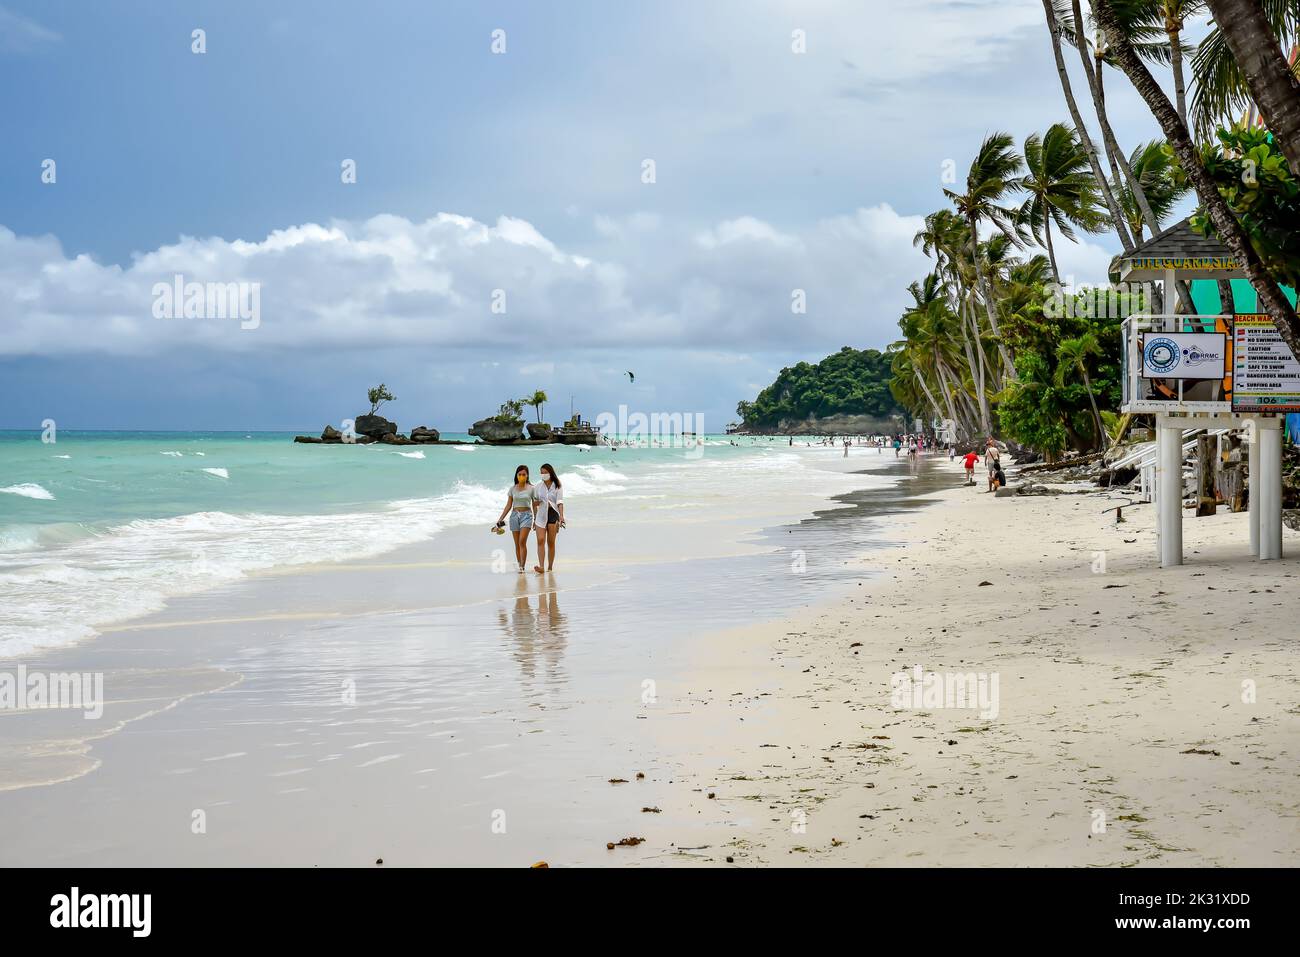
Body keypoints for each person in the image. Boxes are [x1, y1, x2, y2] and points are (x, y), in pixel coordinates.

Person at [493, 465, 537, 573]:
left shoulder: (532, 488)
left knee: (522, 541)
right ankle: (520, 567)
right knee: (517, 543)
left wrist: (536, 519)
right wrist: (500, 519)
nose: (522, 476)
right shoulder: (512, 489)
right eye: (520, 474)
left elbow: (534, 505)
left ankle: (522, 565)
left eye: (524, 474)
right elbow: (508, 505)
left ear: (527, 476)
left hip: (527, 516)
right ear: (516, 475)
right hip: (514, 516)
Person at [532, 463, 566, 574]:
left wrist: (561, 516)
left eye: (545, 472)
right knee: (540, 540)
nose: (543, 474)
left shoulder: (557, 485)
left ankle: (550, 567)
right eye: (541, 472)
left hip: (553, 514)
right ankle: (541, 567)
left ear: (550, 472)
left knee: (551, 542)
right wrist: (534, 518)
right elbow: (534, 503)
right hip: (541, 515)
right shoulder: (538, 487)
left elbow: (560, 502)